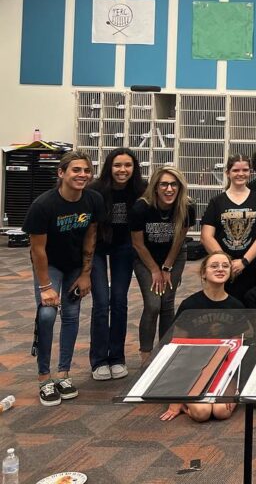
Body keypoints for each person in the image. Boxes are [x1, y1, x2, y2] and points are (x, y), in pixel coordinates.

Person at [26, 150, 104, 407]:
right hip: (50, 265)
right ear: (61, 173)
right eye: (76, 170)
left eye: (86, 171)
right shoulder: (43, 205)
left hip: (75, 265)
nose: (82, 175)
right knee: (47, 315)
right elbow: (37, 250)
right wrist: (46, 286)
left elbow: (91, 235)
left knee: (71, 316)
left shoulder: (93, 200)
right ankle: (44, 377)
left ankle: (63, 374)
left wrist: (85, 274)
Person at [160, 251, 244, 423]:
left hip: (224, 369)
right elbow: (176, 348)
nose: (220, 269)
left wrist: (232, 377)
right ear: (203, 273)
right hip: (194, 369)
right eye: (214, 266)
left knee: (221, 412)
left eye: (225, 266)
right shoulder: (190, 306)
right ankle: (186, 401)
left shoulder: (236, 306)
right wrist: (174, 397)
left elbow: (237, 348)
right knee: (202, 413)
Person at [88, 148, 145, 381]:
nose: (123, 170)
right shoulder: (95, 190)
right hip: (97, 249)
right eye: (117, 165)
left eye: (128, 166)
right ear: (109, 167)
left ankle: (117, 357)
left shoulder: (141, 191)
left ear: (134, 168)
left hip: (124, 248)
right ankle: (99, 360)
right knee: (101, 302)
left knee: (119, 301)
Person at [130, 166, 194, 363]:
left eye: (174, 184)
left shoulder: (187, 206)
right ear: (155, 187)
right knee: (153, 304)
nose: (169, 189)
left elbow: (179, 241)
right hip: (144, 257)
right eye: (164, 184)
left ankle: (165, 352)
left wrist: (167, 267)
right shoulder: (141, 208)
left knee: (167, 303)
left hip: (173, 256)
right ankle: (146, 356)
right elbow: (137, 244)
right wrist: (155, 270)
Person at [200, 154, 256, 299]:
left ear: (250, 172)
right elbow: (206, 236)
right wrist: (225, 263)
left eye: (245, 170)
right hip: (224, 270)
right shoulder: (216, 202)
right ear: (227, 173)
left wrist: (244, 261)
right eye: (236, 170)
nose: (241, 174)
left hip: (251, 267)